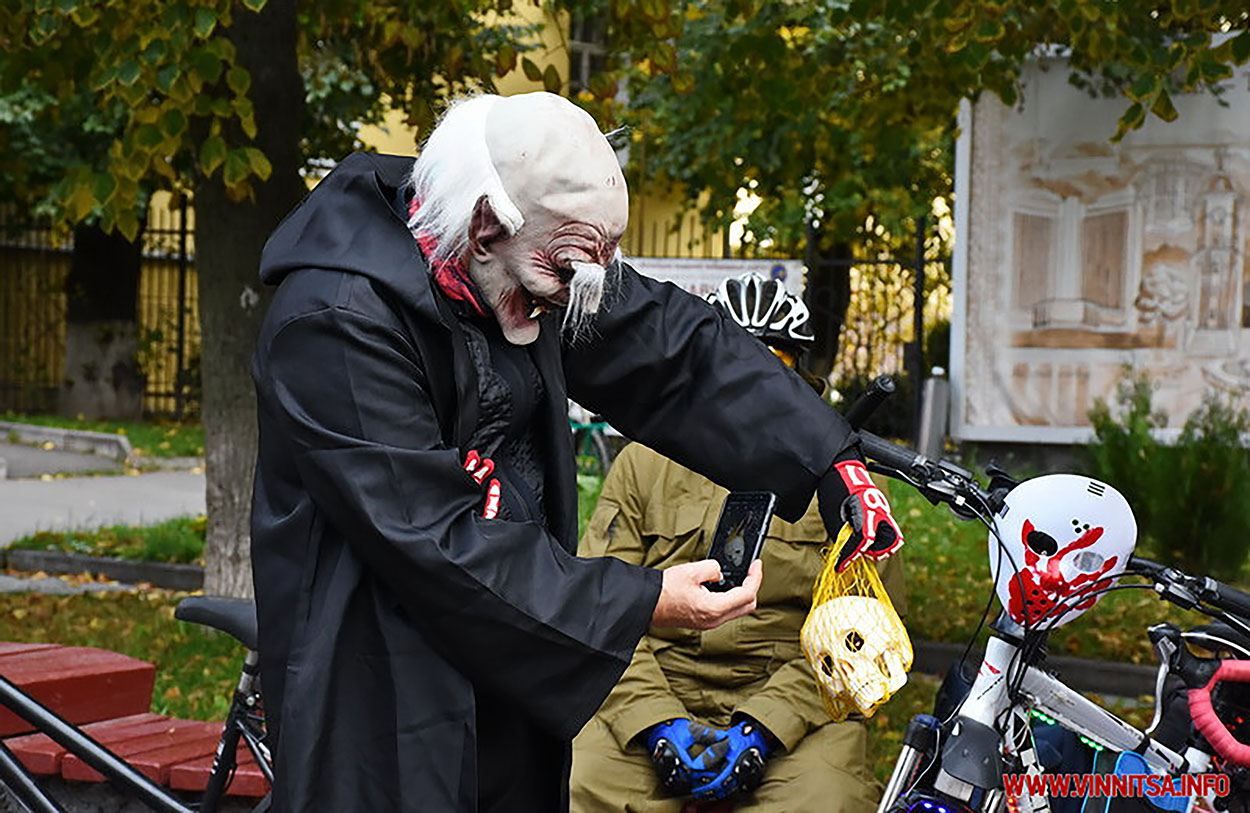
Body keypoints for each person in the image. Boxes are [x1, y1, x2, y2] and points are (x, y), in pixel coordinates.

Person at [250, 92, 905, 812]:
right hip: (381, 667)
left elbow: (670, 346)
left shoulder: (527, 259)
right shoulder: (336, 320)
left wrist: (829, 457)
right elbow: (434, 539)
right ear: (483, 225)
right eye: (557, 277)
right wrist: (645, 598)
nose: (564, 302)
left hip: (508, 641)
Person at [570, 273, 907, 812]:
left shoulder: (847, 485)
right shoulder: (641, 464)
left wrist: (766, 727)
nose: (751, 395)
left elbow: (864, 635)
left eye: (774, 372)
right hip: (655, 678)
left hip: (798, 692)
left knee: (827, 800)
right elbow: (596, 605)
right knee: (576, 785)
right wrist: (657, 723)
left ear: (802, 382)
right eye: (737, 370)